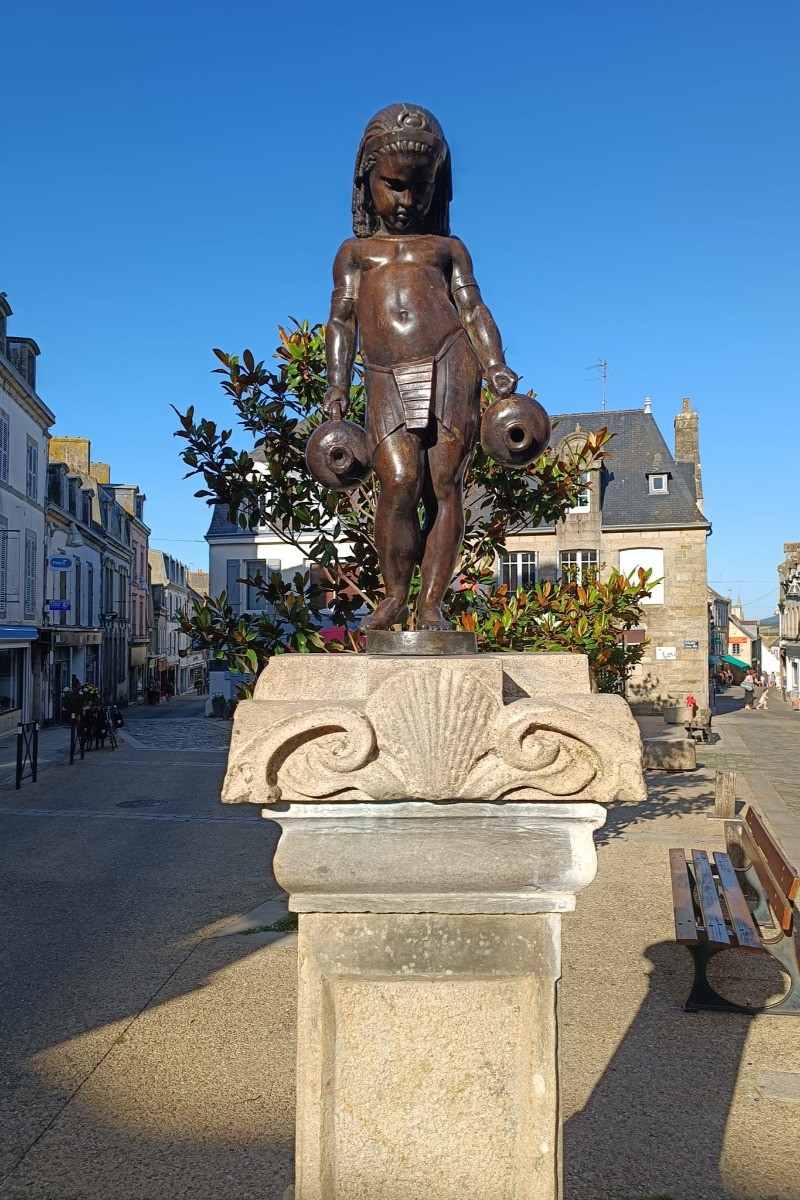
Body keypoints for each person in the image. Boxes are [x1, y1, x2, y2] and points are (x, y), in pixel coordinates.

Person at [322, 104, 519, 632]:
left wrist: (496, 365)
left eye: (420, 188)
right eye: (393, 186)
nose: (407, 201)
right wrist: (335, 388)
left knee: (444, 484)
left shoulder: (447, 248)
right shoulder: (355, 253)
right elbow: (341, 322)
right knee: (400, 482)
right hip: (385, 371)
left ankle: (431, 604)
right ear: (367, 183)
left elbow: (474, 310)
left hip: (451, 361)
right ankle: (393, 598)